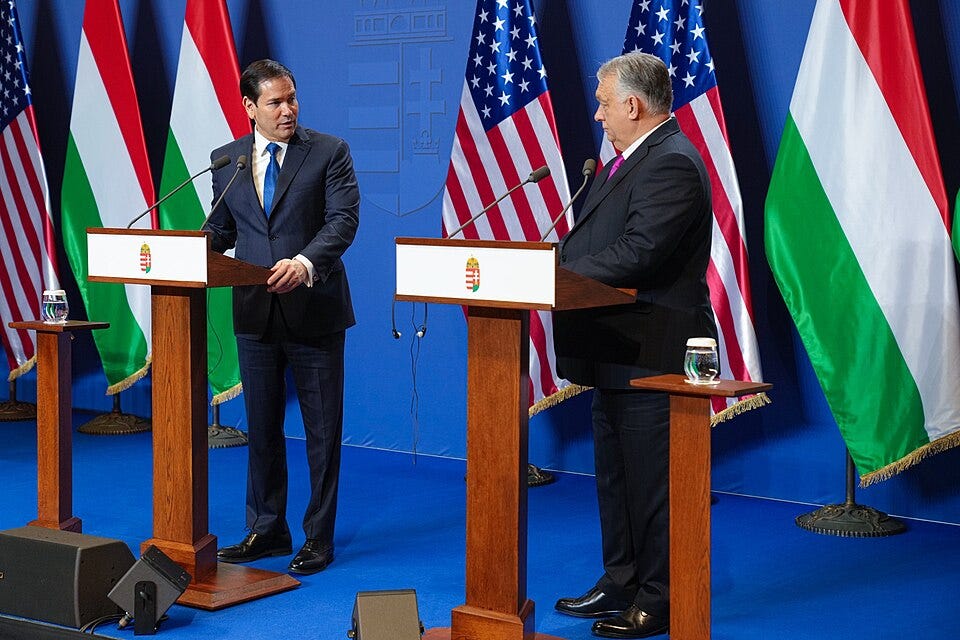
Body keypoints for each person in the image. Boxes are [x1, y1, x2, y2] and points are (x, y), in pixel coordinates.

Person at [551, 52, 716, 638]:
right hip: (614, 347)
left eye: (603, 103)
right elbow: (596, 241)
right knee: (616, 477)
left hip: (653, 350)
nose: (597, 115)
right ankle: (621, 579)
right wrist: (551, 263)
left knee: (651, 484)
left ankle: (659, 597)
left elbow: (639, 252)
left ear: (632, 104)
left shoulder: (672, 162)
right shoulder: (625, 160)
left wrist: (554, 276)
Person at [204, 59, 360, 576]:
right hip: (254, 313)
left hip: (314, 309)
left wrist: (305, 262)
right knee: (262, 428)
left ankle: (318, 537)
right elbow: (223, 230)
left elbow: (343, 221)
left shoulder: (329, 152)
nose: (287, 109)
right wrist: (183, 250)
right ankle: (267, 528)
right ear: (250, 107)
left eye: (291, 98)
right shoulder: (226, 161)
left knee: (322, 432)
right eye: (275, 102)